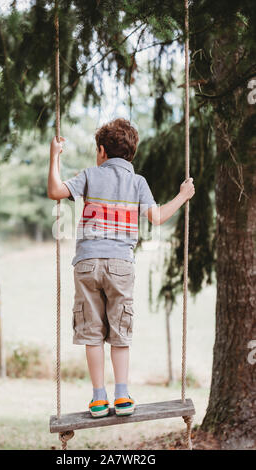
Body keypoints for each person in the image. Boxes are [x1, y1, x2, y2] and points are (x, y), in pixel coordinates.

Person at [47, 118, 195, 418]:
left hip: (87, 263)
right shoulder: (138, 182)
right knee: (119, 330)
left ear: (101, 151)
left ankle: (99, 398)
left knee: (92, 333)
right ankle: (122, 395)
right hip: (120, 265)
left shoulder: (89, 175)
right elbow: (157, 218)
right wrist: (183, 195)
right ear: (132, 154)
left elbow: (54, 191)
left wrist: (54, 157)